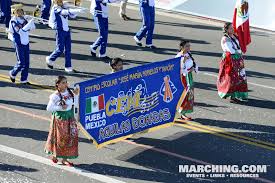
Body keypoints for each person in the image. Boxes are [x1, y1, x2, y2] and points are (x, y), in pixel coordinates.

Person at [45, 76, 79, 167]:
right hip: (60, 119)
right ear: (58, 84)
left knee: (70, 138)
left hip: (70, 117)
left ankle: (65, 159)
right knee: (60, 138)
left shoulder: (70, 92)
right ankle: (55, 155)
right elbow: (49, 108)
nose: (66, 84)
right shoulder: (55, 96)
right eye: (63, 83)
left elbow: (75, 103)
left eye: (66, 82)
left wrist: (76, 95)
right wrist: (60, 107)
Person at [46, 0, 85, 73]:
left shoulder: (63, 6)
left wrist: (78, 8)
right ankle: (50, 59)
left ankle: (68, 67)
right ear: (54, 2)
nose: (60, 2)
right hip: (60, 31)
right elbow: (64, 12)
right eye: (58, 1)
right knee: (60, 49)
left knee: (68, 50)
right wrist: (76, 10)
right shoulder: (55, 8)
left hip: (66, 30)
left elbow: (72, 16)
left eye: (61, 1)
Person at [217, 22, 248, 103]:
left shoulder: (234, 36)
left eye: (232, 27)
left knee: (240, 77)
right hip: (230, 60)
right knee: (232, 78)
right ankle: (232, 96)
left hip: (238, 59)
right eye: (230, 28)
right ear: (226, 30)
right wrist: (239, 51)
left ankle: (239, 94)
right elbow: (231, 50)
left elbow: (238, 46)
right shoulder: (225, 39)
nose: (233, 29)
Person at [8, 6, 36, 85]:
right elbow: (19, 31)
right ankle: (12, 73)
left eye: (21, 11)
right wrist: (28, 24)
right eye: (18, 11)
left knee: (27, 62)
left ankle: (24, 79)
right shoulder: (13, 21)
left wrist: (31, 21)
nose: (20, 13)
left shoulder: (24, 19)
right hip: (19, 43)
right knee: (21, 62)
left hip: (26, 42)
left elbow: (31, 28)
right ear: (14, 12)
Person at [176, 40, 198, 120]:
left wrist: (194, 68)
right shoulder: (179, 56)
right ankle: (182, 112)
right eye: (187, 46)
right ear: (182, 47)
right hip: (184, 77)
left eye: (189, 46)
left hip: (189, 76)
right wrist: (184, 62)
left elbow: (193, 63)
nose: (189, 47)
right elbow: (179, 69)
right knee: (185, 94)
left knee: (190, 94)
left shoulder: (188, 54)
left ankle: (184, 111)